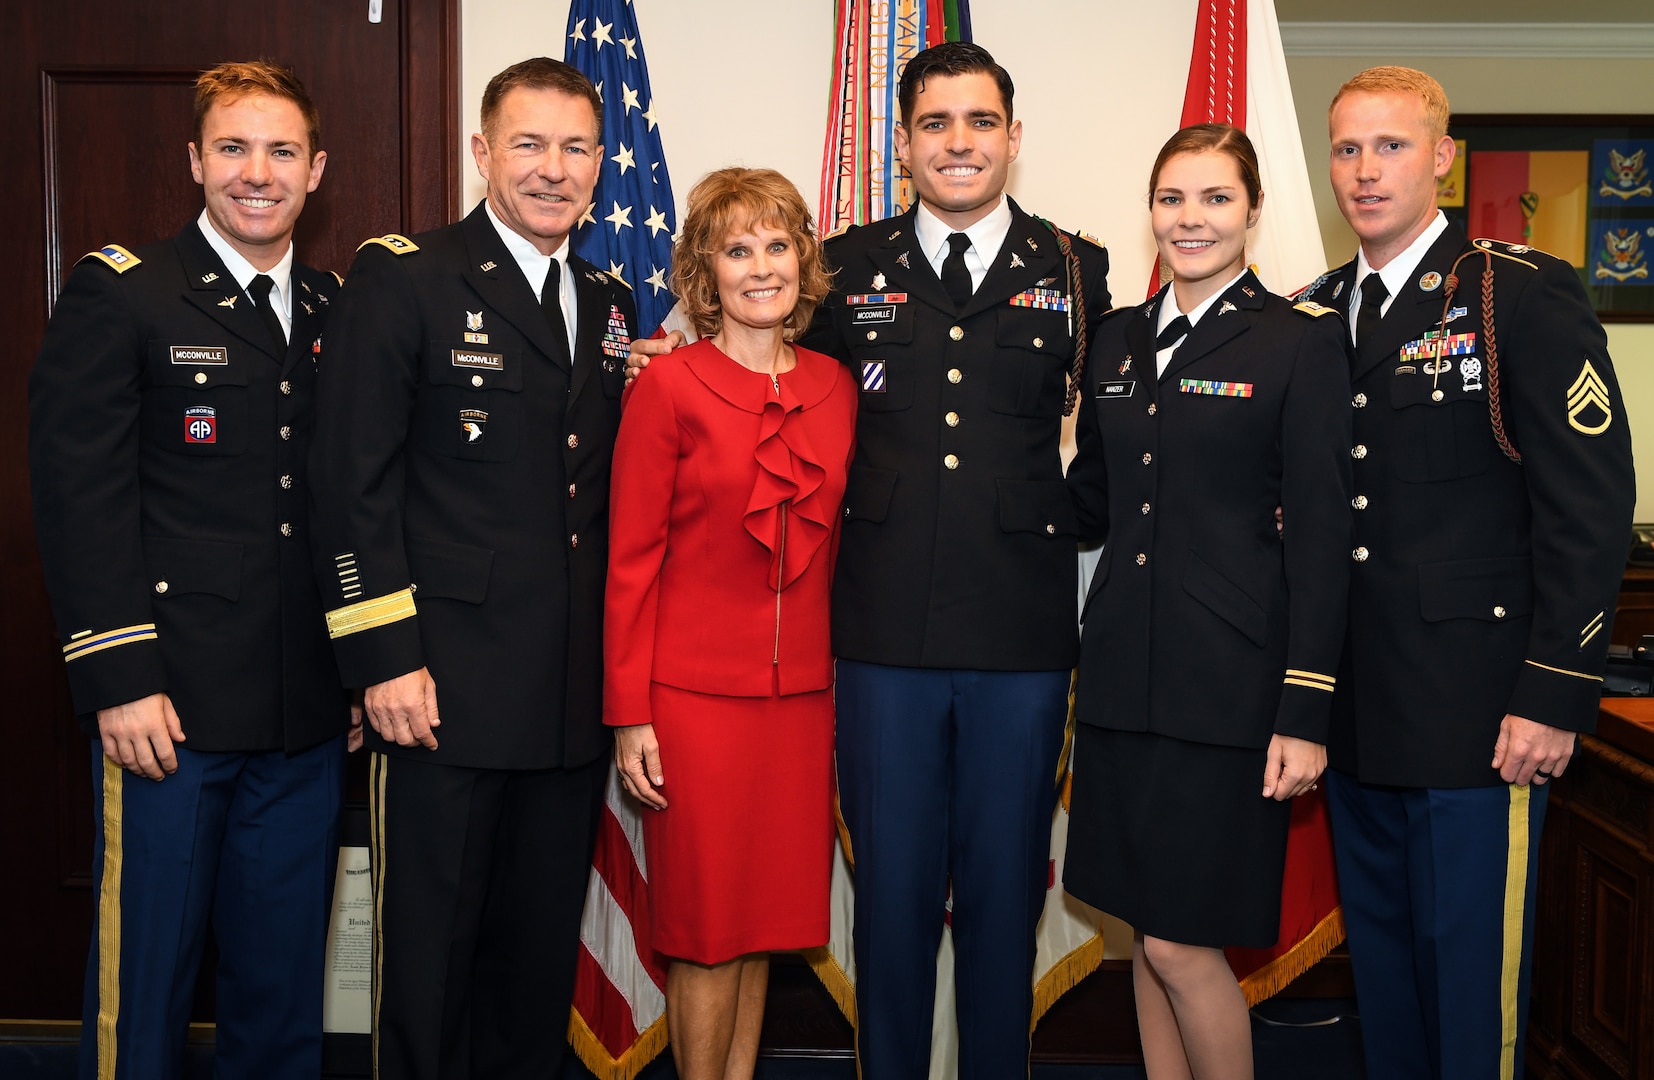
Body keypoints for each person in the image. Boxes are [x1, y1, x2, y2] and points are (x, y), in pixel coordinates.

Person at [632, 40, 1110, 1078]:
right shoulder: (846, 270)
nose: (958, 143)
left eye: (979, 122)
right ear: (901, 145)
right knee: (890, 898)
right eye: (935, 124)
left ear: (1013, 139)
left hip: (1022, 640)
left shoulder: (1078, 270)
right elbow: (768, 386)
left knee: (1001, 900)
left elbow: (1116, 446)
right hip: (879, 636)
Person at [1297, 66, 1636, 1079]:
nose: (1365, 171)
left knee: (1470, 999)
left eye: (1390, 146)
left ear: (1442, 158)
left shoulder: (1515, 295)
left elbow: (1588, 506)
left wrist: (1553, 693)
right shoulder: (1318, 314)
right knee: (1387, 989)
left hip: (1478, 718)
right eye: (1347, 149)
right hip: (1356, 715)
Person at [306, 57, 636, 1078]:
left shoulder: (608, 296)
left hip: (567, 702)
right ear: (482, 152)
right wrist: (383, 658)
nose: (553, 168)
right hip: (438, 692)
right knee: (429, 971)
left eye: (575, 147)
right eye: (528, 144)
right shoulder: (406, 278)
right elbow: (349, 484)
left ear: (597, 167)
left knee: (531, 971)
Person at [28, 61, 346, 1079]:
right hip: (166, 707)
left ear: (316, 169)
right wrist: (118, 676)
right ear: (196, 161)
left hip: (303, 711)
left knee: (283, 984)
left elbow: (350, 498)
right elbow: (80, 498)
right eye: (235, 148)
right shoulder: (122, 293)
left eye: (282, 151)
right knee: (146, 982)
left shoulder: (338, 309)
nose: (259, 172)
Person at [1064, 123, 1352, 1080]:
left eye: (1215, 198)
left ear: (1254, 210)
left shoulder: (1299, 344)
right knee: (1149, 935)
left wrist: (1306, 709)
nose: (1191, 219)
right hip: (1119, 688)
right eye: (1173, 199)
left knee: (1187, 946)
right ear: (1151, 211)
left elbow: (1321, 538)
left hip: (1228, 695)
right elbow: (1092, 504)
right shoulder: (1116, 338)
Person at [606, 167, 856, 1080]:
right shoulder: (667, 388)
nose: (761, 267)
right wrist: (630, 712)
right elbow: (629, 562)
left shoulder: (837, 386)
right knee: (708, 937)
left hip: (800, 706)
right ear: (706, 275)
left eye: (778, 245)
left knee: (761, 931)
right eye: (737, 249)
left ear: (804, 261)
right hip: (691, 705)